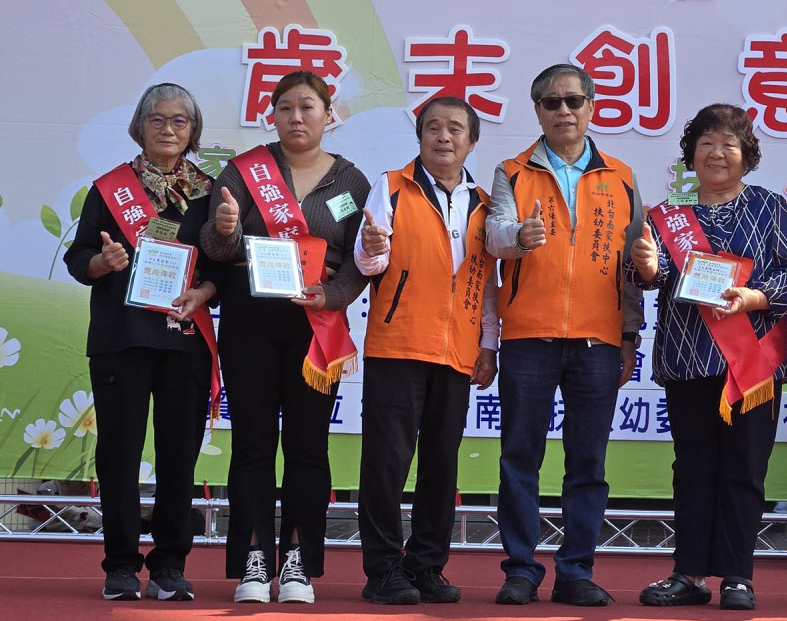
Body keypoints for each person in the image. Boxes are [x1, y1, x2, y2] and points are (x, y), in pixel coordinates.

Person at [628, 103, 787, 611]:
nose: (716, 152)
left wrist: (753, 298)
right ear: (691, 154)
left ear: (746, 153)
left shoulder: (770, 207)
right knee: (692, 469)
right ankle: (688, 574)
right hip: (688, 360)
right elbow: (651, 276)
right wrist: (646, 267)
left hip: (753, 364)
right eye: (706, 142)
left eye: (728, 143)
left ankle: (737, 576)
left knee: (744, 470)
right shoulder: (667, 216)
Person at [201, 70, 369, 604]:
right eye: (286, 108)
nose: (297, 117)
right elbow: (216, 251)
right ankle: (253, 561)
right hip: (249, 322)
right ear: (271, 115)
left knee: (307, 447)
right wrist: (225, 229)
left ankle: (298, 562)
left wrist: (334, 295)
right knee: (252, 446)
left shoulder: (351, 183)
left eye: (308, 107)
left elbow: (363, 260)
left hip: (315, 326)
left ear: (328, 115)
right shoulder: (243, 171)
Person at [485, 63, 643, 607]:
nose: (564, 111)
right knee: (519, 458)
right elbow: (494, 235)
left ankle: (576, 570)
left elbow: (633, 265)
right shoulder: (512, 171)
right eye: (551, 102)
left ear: (591, 107)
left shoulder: (622, 176)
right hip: (528, 336)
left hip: (599, 341)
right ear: (537, 112)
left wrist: (629, 335)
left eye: (574, 100)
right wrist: (520, 235)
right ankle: (520, 570)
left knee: (588, 464)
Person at [64, 83, 218, 602]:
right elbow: (78, 258)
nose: (168, 129)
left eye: (179, 120)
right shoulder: (110, 188)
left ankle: (170, 566)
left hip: (184, 340)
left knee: (179, 458)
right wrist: (100, 262)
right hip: (121, 341)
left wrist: (203, 291)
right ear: (139, 126)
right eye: (157, 119)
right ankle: (121, 567)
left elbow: (222, 267)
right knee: (119, 455)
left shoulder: (210, 193)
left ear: (193, 130)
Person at [353, 96, 500, 605]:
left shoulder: (485, 203)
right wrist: (372, 247)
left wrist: (488, 345)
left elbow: (486, 284)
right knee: (387, 463)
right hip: (398, 343)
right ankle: (383, 570)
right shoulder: (392, 185)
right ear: (419, 138)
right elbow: (369, 263)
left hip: (457, 351)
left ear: (471, 142)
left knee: (441, 464)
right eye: (433, 127)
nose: (444, 136)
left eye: (455, 129)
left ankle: (427, 566)